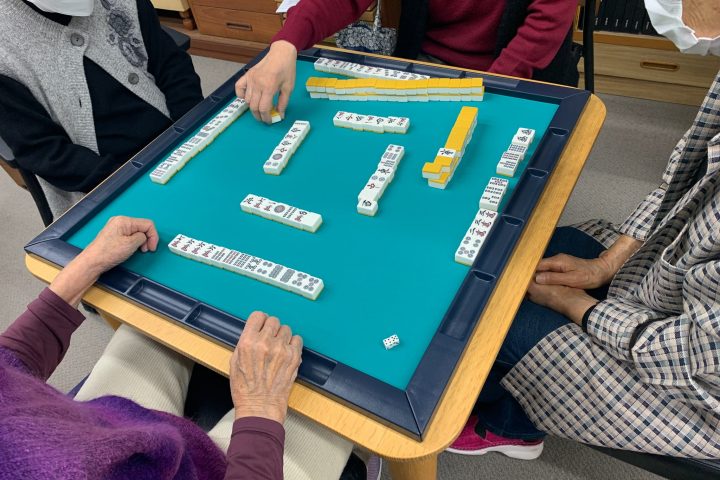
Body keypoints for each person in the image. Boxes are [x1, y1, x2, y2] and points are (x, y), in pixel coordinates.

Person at [447, 0, 720, 460]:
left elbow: (696, 356)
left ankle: (508, 426)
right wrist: (606, 265)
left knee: (486, 311)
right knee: (515, 255)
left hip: (698, 392)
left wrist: (580, 307)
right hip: (676, 289)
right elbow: (680, 179)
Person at [0, 216, 353, 479]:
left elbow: (6, 370)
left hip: (104, 428)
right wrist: (261, 407)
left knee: (151, 320)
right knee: (338, 404)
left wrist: (88, 263)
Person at [0, 0, 203, 218]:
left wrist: (190, 131)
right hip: (103, 187)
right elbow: (43, 152)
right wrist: (134, 183)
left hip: (175, 139)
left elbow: (173, 66)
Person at [236, 0, 579, 123]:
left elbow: (545, 27)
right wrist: (285, 44)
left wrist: (488, 89)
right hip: (427, 63)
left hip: (517, 76)